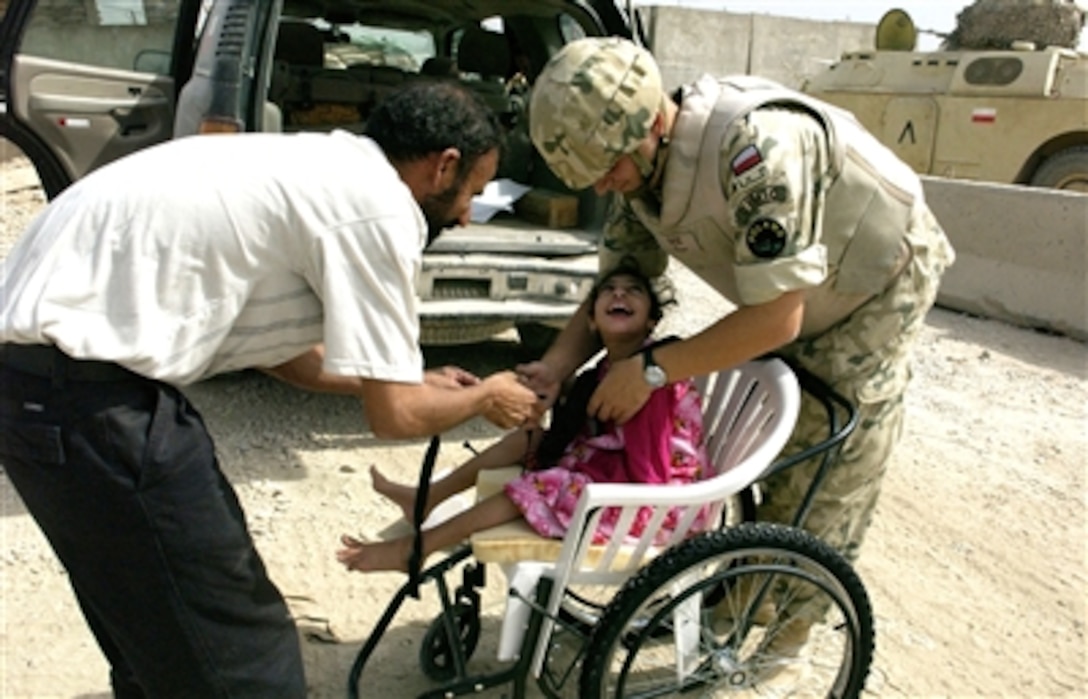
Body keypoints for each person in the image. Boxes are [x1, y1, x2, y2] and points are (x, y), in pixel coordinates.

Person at [0, 81, 539, 698]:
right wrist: (484, 397)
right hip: (97, 406)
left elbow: (292, 358)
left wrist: (407, 377)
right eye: (471, 192)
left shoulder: (318, 166)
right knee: (243, 655)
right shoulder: (378, 207)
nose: (469, 214)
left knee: (156, 634)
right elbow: (396, 417)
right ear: (444, 164)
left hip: (37, 393)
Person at [522, 37, 956, 652]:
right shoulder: (634, 165)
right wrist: (558, 366)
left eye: (608, 169)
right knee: (766, 454)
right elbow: (617, 280)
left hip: (877, 279)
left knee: (827, 462)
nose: (603, 186)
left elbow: (777, 319)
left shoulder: (756, 149)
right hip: (803, 291)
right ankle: (739, 602)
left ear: (651, 121)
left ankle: (789, 635)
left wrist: (650, 369)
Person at [336, 260, 709, 573]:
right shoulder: (606, 370)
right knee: (526, 441)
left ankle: (418, 548)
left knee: (541, 486)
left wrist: (573, 472)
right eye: (609, 290)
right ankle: (428, 497)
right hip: (626, 483)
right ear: (591, 322)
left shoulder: (648, 377)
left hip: (657, 507)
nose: (619, 294)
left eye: (633, 291)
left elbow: (651, 471)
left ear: (651, 321)